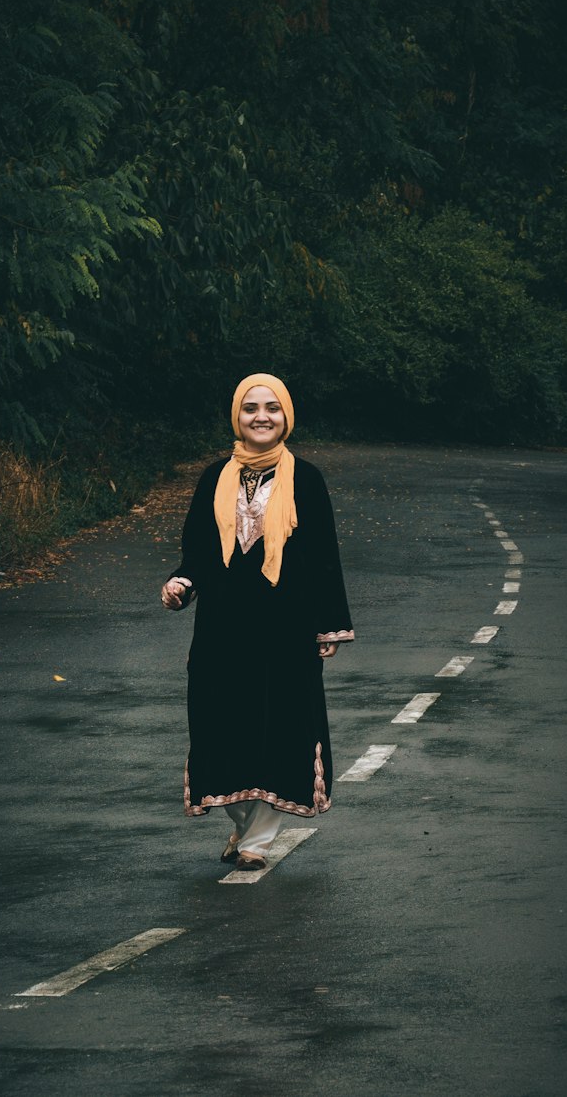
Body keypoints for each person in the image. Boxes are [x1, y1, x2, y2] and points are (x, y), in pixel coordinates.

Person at [160, 372, 353, 872]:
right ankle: (244, 825)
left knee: (280, 727)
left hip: (286, 629)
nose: (261, 417)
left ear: (286, 416)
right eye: (250, 408)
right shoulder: (214, 477)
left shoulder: (305, 479)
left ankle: (257, 842)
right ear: (236, 417)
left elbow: (323, 555)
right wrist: (183, 583)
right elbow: (197, 552)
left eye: (272, 407)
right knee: (221, 725)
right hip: (222, 628)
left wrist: (329, 624)